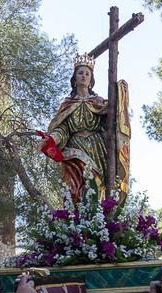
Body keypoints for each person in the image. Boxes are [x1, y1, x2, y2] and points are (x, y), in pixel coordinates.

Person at [39, 54, 128, 202]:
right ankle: (75, 222)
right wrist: (52, 138)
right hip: (74, 149)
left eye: (87, 73)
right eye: (80, 73)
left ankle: (98, 220)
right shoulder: (67, 104)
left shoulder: (99, 102)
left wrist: (121, 93)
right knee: (73, 189)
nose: (84, 76)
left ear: (91, 80)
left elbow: (111, 123)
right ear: (74, 78)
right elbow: (63, 128)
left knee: (96, 186)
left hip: (96, 148)